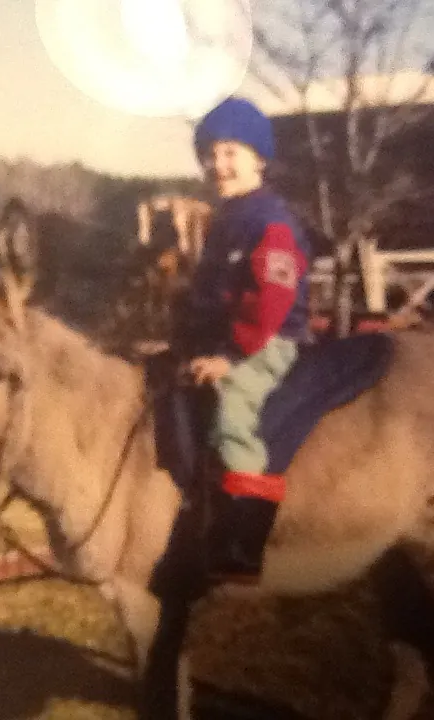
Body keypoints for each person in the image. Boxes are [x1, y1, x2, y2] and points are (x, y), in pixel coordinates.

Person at [179, 96, 312, 580]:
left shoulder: (268, 221)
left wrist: (233, 357)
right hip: (228, 338)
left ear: (259, 157)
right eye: (210, 155)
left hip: (268, 340)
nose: (219, 165)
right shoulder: (227, 219)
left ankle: (244, 540)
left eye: (230, 152)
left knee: (234, 411)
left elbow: (271, 299)